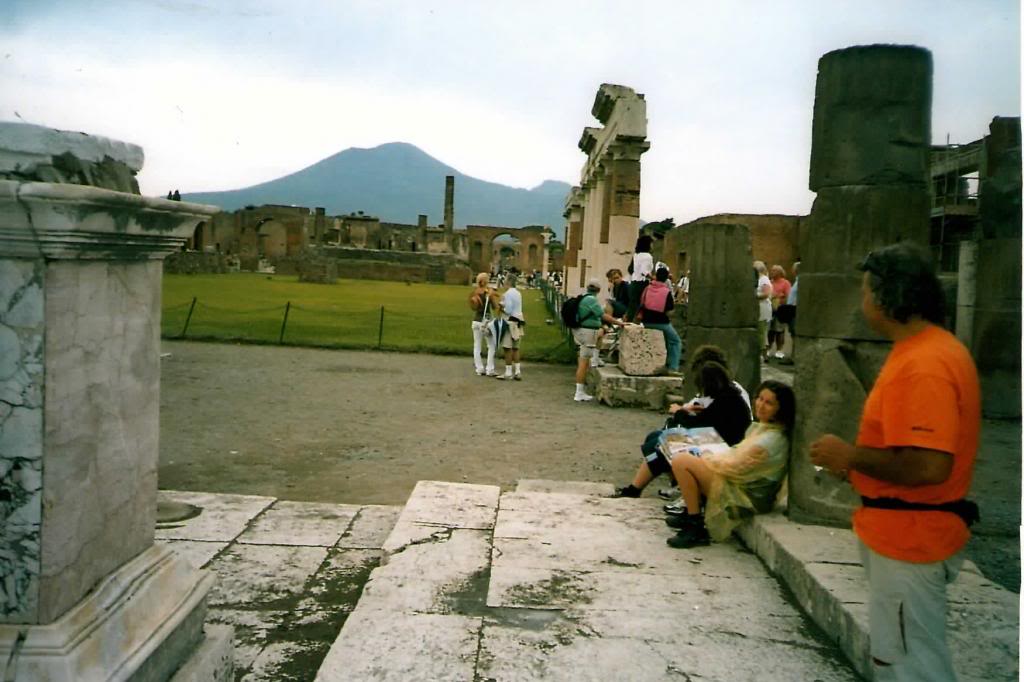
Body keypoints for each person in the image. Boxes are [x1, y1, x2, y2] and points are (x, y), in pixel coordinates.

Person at [809, 242, 980, 680]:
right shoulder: (925, 350)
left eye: (866, 291)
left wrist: (849, 456)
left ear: (887, 296)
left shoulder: (925, 363)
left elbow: (928, 466)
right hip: (903, 534)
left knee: (910, 666)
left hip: (911, 539)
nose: (862, 301)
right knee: (902, 657)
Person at [664, 380, 795, 548]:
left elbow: (734, 468)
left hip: (746, 497)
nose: (761, 405)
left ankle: (694, 526)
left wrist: (707, 457)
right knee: (690, 456)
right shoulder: (768, 429)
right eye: (760, 398)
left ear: (781, 409)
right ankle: (691, 514)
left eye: (769, 403)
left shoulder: (772, 439)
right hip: (745, 488)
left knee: (682, 461)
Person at [612, 361, 752, 499]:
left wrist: (679, 412)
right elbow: (708, 422)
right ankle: (671, 484)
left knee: (661, 446)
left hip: (722, 446)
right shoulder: (729, 395)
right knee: (655, 437)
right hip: (717, 440)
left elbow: (697, 426)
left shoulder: (725, 400)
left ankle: (635, 489)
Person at [572, 278, 625, 401]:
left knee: (583, 360)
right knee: (583, 363)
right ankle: (579, 392)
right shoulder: (591, 300)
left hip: (583, 331)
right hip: (588, 333)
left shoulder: (584, 297)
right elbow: (603, 315)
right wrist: (619, 323)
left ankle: (595, 360)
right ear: (599, 290)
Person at [637, 267, 682, 376]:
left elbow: (641, 303)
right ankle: (673, 367)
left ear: (656, 276)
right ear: (667, 278)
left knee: (667, 339)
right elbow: (670, 310)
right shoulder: (666, 292)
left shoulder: (647, 288)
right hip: (661, 322)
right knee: (675, 341)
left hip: (646, 321)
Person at [469, 272, 498, 377]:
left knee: (477, 345)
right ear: (486, 281)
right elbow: (495, 307)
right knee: (491, 345)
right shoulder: (488, 293)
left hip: (476, 320)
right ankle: (490, 368)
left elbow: (473, 306)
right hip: (486, 321)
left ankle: (479, 368)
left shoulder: (474, 293)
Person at [496, 275, 524, 380]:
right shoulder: (518, 293)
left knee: (507, 347)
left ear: (508, 283)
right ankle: (517, 371)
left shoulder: (507, 294)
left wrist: (501, 307)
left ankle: (508, 372)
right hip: (519, 321)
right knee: (516, 348)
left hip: (509, 322)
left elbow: (508, 310)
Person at [626, 235, 654, 321]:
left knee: (633, 307)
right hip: (643, 283)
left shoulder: (636, 255)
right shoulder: (647, 256)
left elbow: (630, 269)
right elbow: (644, 271)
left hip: (634, 283)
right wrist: (654, 278)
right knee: (644, 307)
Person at [767, 264, 792, 359]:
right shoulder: (770, 282)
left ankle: (779, 349)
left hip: (780, 309)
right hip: (770, 309)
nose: (772, 272)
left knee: (780, 330)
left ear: (779, 272)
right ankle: (769, 348)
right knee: (770, 331)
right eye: (772, 270)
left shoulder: (785, 283)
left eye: (774, 271)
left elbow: (788, 295)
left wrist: (779, 296)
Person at [753, 261, 773, 360]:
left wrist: (753, 296)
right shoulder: (758, 279)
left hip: (763, 308)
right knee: (760, 332)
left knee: (761, 332)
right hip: (758, 308)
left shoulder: (764, 279)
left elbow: (766, 293)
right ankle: (763, 354)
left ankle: (764, 355)